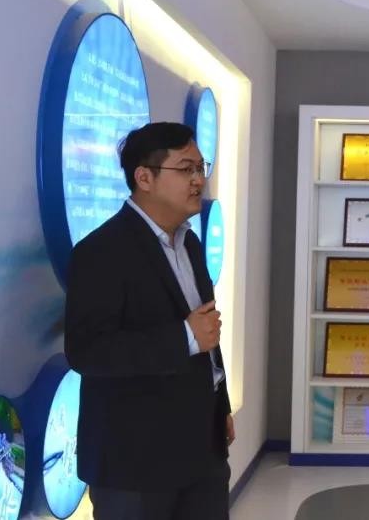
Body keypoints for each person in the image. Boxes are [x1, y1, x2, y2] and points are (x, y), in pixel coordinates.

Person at [65, 122, 234, 520]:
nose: (198, 180)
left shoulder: (190, 243)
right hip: (135, 462)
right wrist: (184, 336)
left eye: (201, 168)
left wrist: (220, 405)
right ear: (144, 178)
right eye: (186, 169)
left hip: (202, 448)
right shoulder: (102, 251)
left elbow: (207, 333)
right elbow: (87, 351)